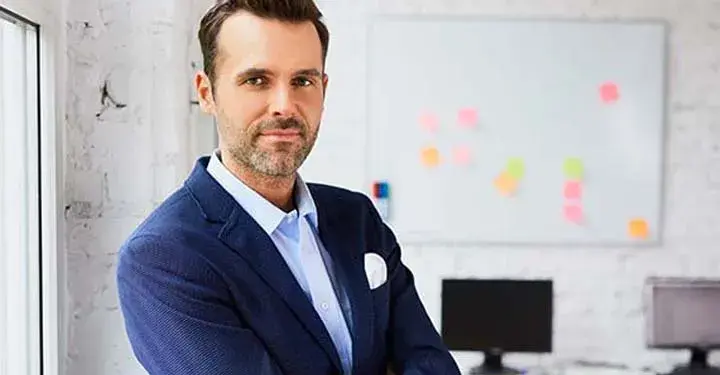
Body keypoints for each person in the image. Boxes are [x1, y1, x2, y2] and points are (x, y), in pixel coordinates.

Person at [115, 1, 461, 374]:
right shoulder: (163, 257)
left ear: (323, 90)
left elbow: (430, 363)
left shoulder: (357, 218)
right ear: (207, 92)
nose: (285, 105)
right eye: (256, 80)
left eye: (302, 81)